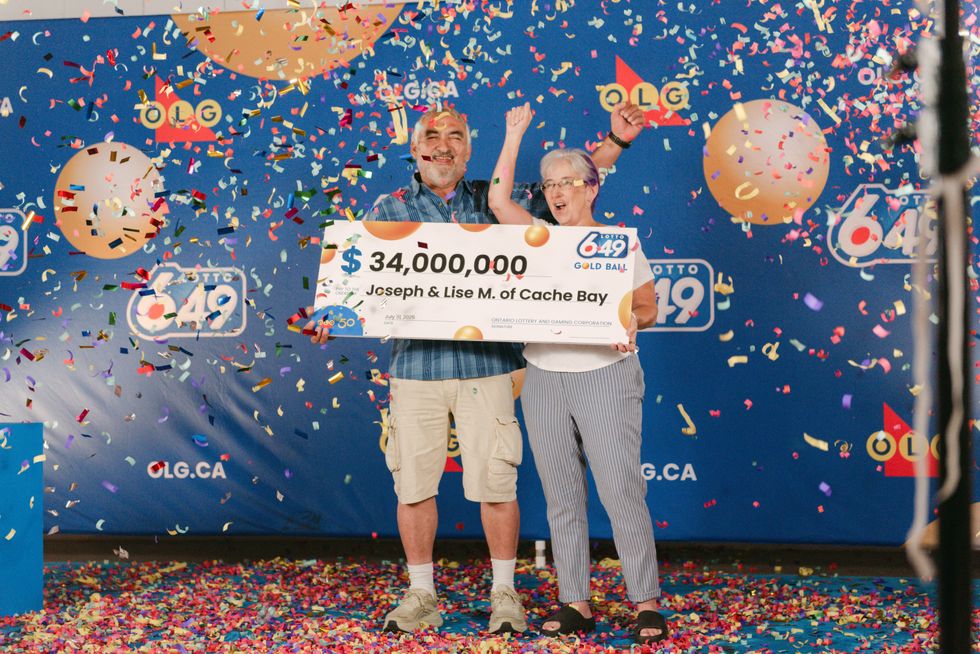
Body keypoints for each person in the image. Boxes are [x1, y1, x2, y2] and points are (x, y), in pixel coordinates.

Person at [309, 102, 646, 635]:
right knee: (413, 486)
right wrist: (333, 311)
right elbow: (357, 279)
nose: (443, 144)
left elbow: (572, 187)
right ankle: (422, 594)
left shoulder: (496, 201)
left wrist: (617, 143)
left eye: (456, 136)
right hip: (416, 368)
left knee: (497, 485)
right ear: (415, 147)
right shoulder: (389, 207)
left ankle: (504, 593)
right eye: (433, 135)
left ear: (468, 149)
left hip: (488, 368)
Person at [486, 103, 669, 645]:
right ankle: (576, 601)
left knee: (620, 491)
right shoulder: (537, 237)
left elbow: (649, 308)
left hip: (605, 374)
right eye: (548, 185)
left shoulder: (618, 244)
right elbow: (498, 200)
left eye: (568, 182)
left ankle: (646, 602)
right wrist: (513, 133)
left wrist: (628, 324)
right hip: (543, 375)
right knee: (561, 493)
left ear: (592, 188)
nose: (556, 192)